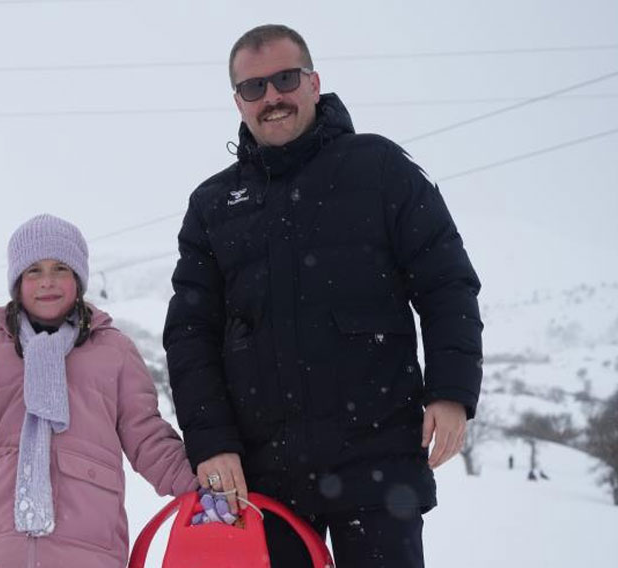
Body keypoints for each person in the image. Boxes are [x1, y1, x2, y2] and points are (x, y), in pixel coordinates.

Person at [163, 24, 483, 567]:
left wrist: (451, 392)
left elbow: (445, 280)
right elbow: (190, 334)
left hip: (376, 460)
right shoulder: (213, 205)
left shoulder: (379, 168)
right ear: (238, 102)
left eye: (285, 79)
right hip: (265, 478)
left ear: (314, 82)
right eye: (253, 88)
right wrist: (213, 442)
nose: (272, 98)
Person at [0, 214, 200, 568]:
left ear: (79, 279)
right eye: (33, 270)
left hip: (89, 552)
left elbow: (147, 439)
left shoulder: (114, 352)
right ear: (17, 282)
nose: (47, 281)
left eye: (60, 268)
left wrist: (202, 486)